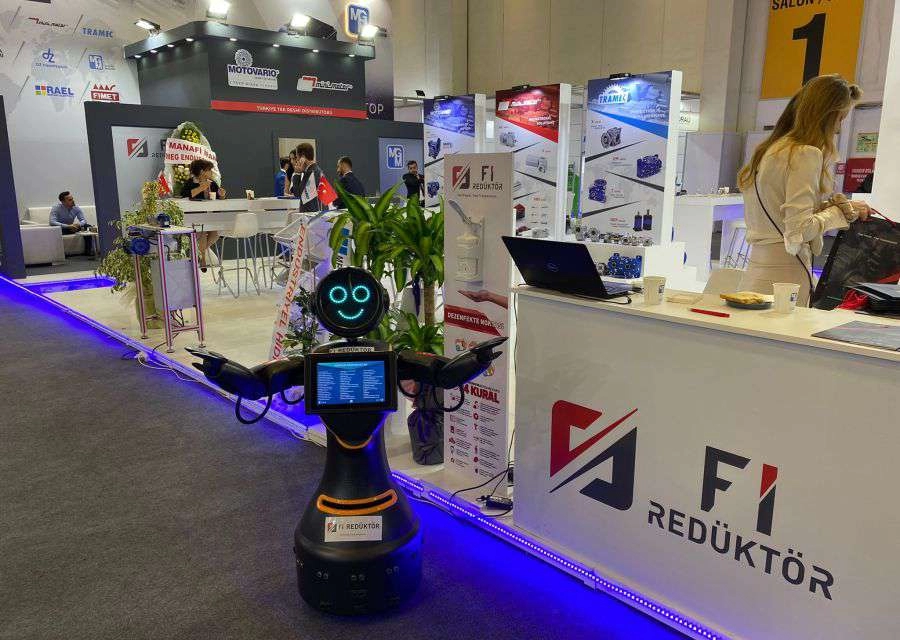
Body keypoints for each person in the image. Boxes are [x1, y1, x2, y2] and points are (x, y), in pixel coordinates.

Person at [736, 74, 870, 306]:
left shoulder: (769, 151)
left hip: (755, 274)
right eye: (840, 119)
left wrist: (836, 207)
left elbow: (781, 212)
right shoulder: (805, 153)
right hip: (786, 276)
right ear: (827, 115)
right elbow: (799, 230)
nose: (838, 128)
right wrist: (839, 213)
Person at [180, 159, 226, 271]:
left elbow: (219, 198)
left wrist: (222, 195)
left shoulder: (212, 183)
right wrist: (201, 187)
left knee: (216, 233)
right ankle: (203, 260)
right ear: (202, 171)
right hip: (194, 219)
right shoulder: (191, 182)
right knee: (202, 230)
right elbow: (185, 195)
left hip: (209, 217)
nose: (211, 172)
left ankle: (199, 254)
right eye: (209, 170)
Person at [290, 142, 323, 213]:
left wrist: (297, 174)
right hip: (313, 213)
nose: (296, 161)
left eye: (297, 157)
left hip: (311, 215)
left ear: (303, 157)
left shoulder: (311, 172)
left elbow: (297, 193)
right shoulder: (315, 170)